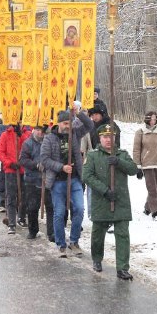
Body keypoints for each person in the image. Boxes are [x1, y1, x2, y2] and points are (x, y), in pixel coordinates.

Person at [83, 124, 139, 279]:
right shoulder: (93, 155)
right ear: (100, 138)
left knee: (122, 235)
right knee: (97, 234)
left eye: (111, 137)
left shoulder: (122, 154)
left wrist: (118, 163)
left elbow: (133, 169)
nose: (108, 140)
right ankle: (97, 259)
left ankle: (122, 268)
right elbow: (87, 176)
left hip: (120, 201)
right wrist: (105, 191)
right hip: (102, 201)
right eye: (105, 137)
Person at [40, 107, 94, 256]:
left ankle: (74, 241)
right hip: (57, 181)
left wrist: (78, 114)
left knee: (79, 209)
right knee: (59, 212)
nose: (67, 126)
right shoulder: (49, 138)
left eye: (69, 123)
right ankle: (60, 244)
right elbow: (44, 159)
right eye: (64, 123)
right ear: (59, 124)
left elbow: (89, 125)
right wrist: (61, 167)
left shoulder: (75, 133)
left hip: (75, 179)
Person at [133, 111, 157, 218]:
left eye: (155, 119)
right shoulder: (140, 132)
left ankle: (147, 208)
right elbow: (136, 150)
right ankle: (156, 210)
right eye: (151, 119)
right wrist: (137, 166)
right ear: (147, 119)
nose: (153, 121)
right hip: (147, 164)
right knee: (152, 188)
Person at [19, 125, 53, 240]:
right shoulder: (28, 143)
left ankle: (51, 232)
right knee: (32, 207)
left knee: (50, 206)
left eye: (42, 131)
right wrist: (36, 165)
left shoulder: (50, 142)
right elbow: (23, 159)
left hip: (48, 179)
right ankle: (33, 230)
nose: (40, 133)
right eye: (38, 130)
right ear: (34, 130)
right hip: (32, 179)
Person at [0, 123, 30, 234]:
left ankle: (21, 217)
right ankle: (11, 222)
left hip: (23, 169)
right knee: (11, 196)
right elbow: (0, 152)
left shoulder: (26, 134)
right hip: (11, 170)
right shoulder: (5, 135)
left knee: (24, 195)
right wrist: (9, 163)